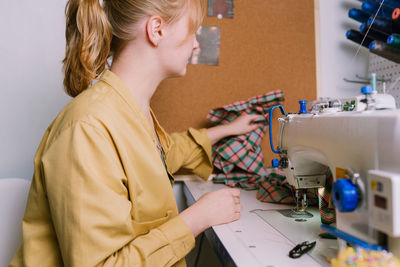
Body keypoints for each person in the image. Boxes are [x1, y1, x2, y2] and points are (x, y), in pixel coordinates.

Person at [10, 0, 264, 266]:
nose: (195, 44)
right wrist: (197, 218)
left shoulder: (132, 112)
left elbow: (164, 155)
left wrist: (229, 129)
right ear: (156, 29)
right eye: (192, 31)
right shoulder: (89, 129)